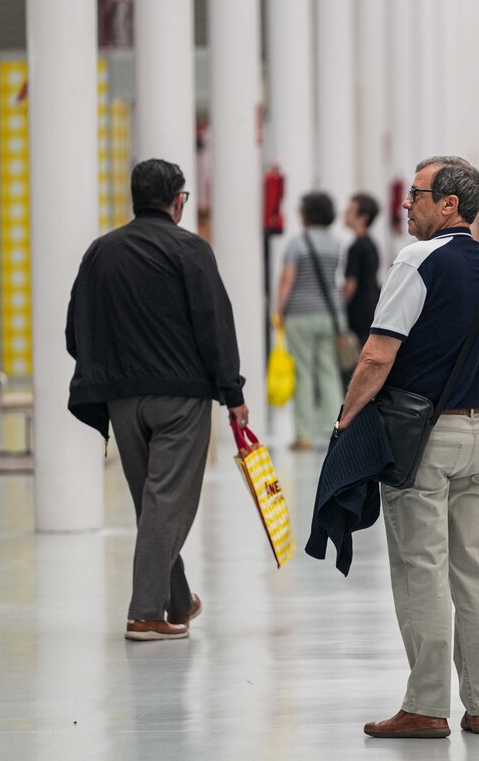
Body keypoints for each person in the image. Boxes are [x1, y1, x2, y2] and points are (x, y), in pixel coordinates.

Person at [331, 156, 479, 739]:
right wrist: (475, 415)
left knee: (421, 568)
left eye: (416, 194)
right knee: (473, 570)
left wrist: (346, 421)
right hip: (477, 434)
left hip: (422, 443)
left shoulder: (417, 260)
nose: (406, 204)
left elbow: (378, 354)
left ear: (448, 205)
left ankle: (427, 705)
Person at [65, 158, 249, 641]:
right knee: (165, 504)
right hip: (182, 399)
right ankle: (145, 613)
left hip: (122, 401)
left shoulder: (100, 253)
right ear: (178, 201)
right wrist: (232, 392)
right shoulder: (190, 250)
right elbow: (215, 325)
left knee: (153, 505)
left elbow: (74, 331)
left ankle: (177, 601)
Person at [274, 191, 344, 451]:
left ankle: (303, 435)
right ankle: (334, 430)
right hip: (330, 314)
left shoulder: (298, 243)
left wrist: (278, 311)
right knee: (328, 371)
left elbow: (287, 279)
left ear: (306, 214)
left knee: (303, 373)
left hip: (300, 315)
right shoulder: (335, 243)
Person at [341, 192, 382, 351]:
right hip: (372, 305)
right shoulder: (371, 244)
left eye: (351, 210)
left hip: (359, 311)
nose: (345, 214)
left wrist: (340, 307)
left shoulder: (357, 247)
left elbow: (351, 283)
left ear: (363, 217)